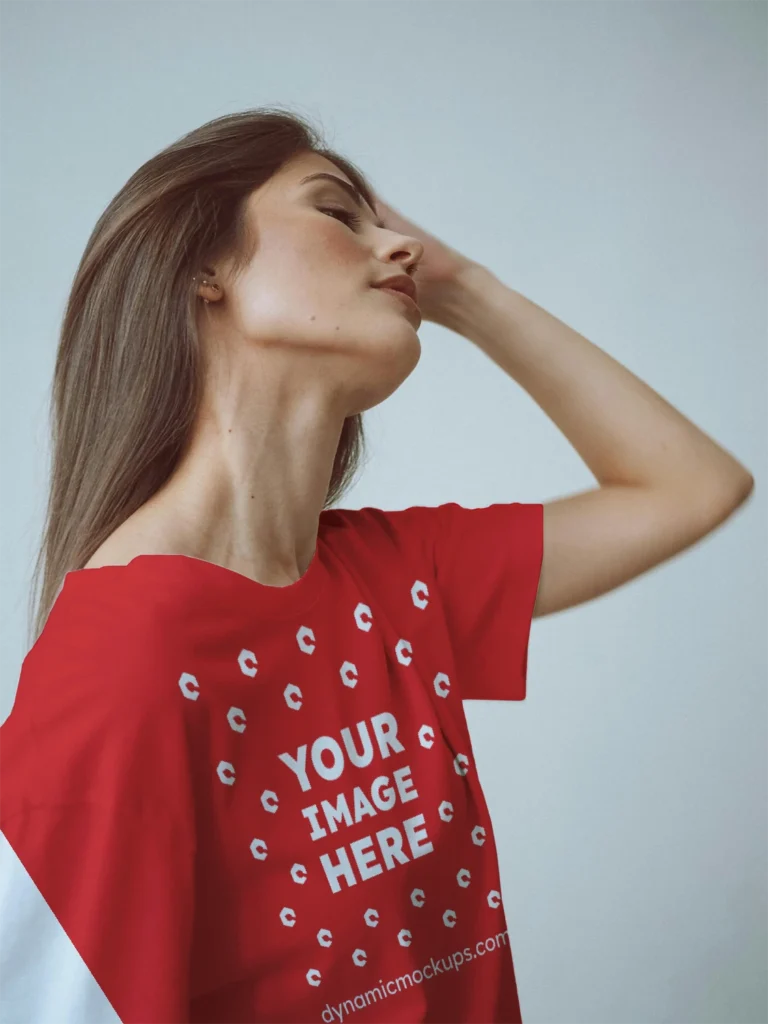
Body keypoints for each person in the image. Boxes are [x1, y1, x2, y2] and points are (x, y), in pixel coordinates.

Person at [0, 107, 753, 1024]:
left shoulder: (394, 575)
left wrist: (467, 289)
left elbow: (691, 486)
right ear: (204, 268)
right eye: (338, 214)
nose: (398, 246)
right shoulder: (117, 664)